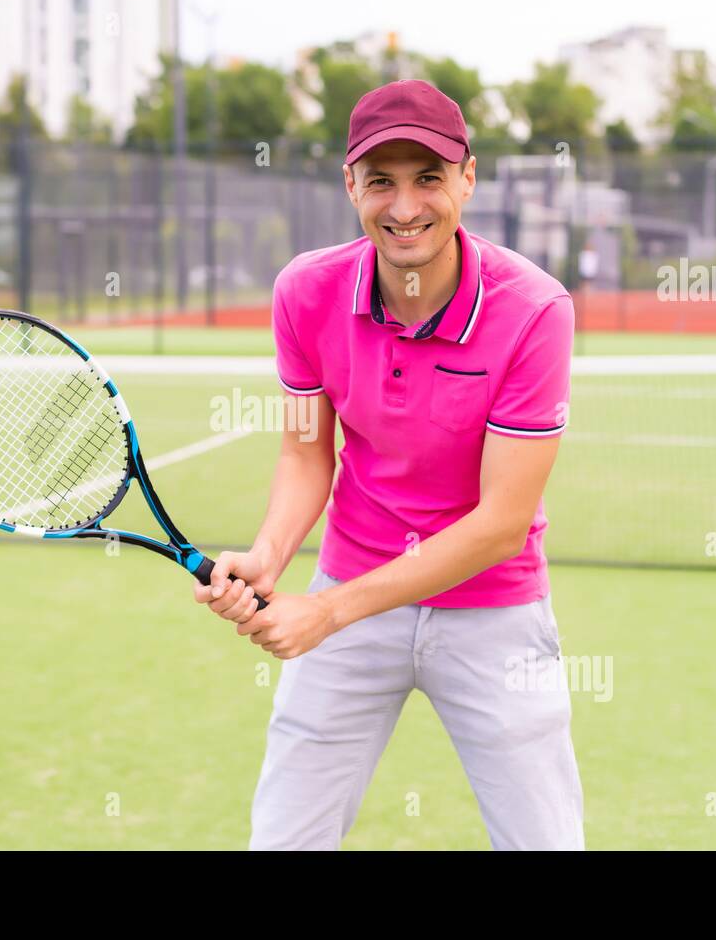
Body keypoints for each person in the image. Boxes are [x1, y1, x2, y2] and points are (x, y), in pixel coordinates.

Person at [192, 79, 583, 851]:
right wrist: (269, 557)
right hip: (349, 582)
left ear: (467, 177)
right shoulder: (305, 292)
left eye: (428, 177)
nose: (404, 206)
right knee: (283, 840)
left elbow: (502, 525)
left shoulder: (535, 310)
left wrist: (328, 613)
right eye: (381, 182)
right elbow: (307, 451)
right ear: (351, 186)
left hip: (492, 610)